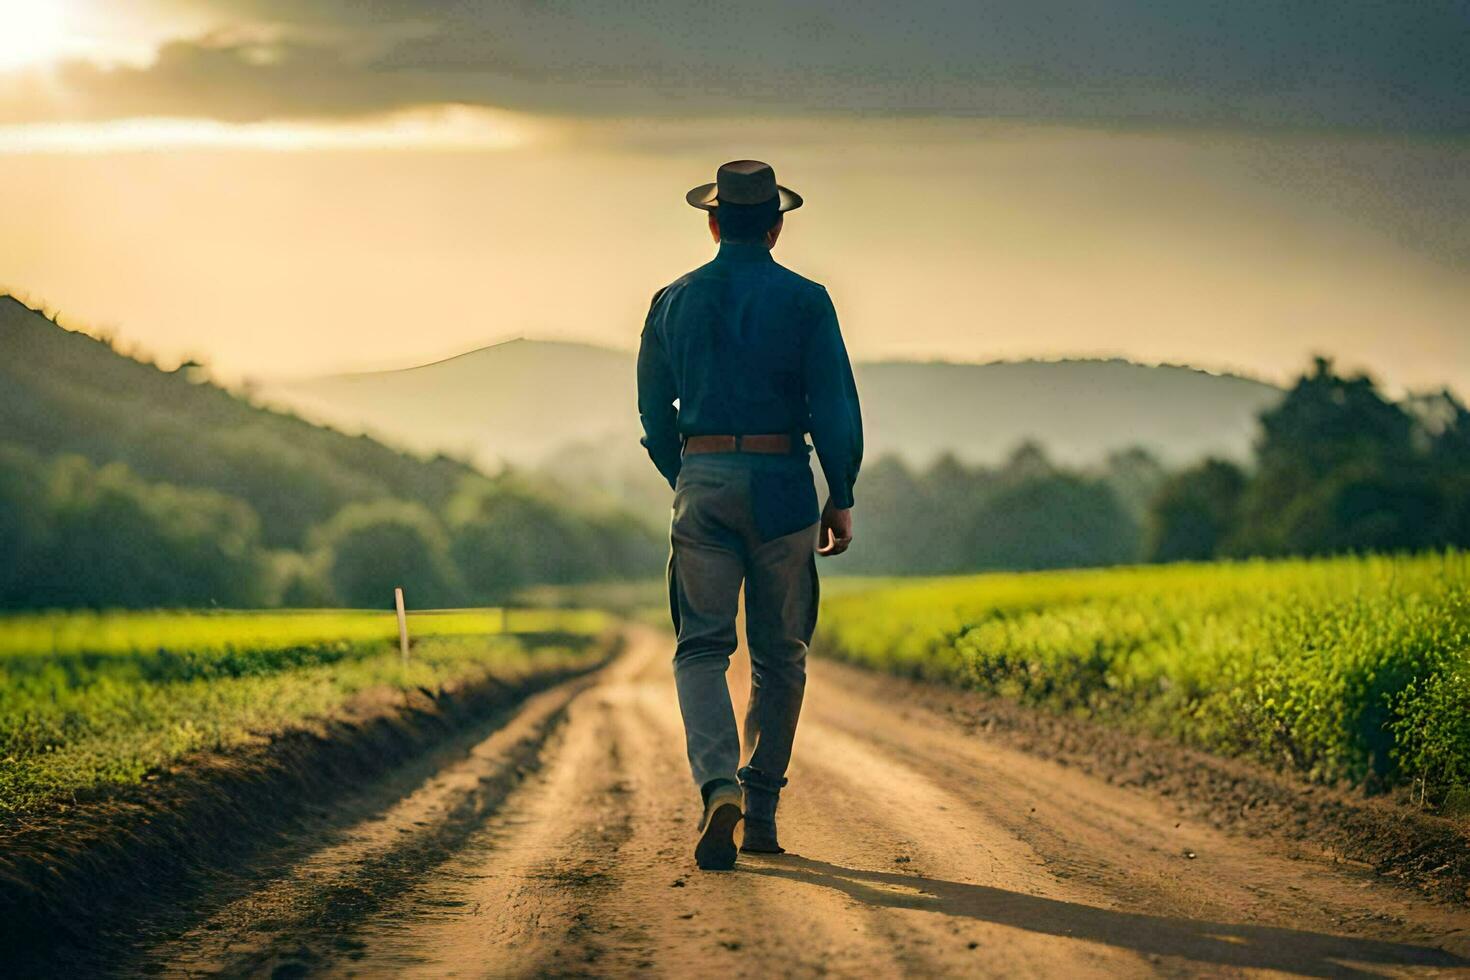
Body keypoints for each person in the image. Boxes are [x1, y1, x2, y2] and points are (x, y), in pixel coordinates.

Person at [637, 160, 863, 870]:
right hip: (783, 488)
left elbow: (652, 411)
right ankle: (760, 808)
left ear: (711, 222)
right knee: (780, 655)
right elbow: (834, 405)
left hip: (701, 480)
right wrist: (842, 491)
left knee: (701, 649)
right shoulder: (808, 301)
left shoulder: (671, 300)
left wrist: (689, 475)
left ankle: (717, 787)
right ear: (776, 226)